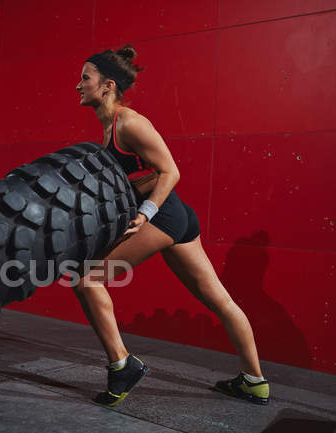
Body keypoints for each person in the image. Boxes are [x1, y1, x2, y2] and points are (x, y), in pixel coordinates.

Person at [73, 45, 270, 406]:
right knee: (219, 300)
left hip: (165, 216)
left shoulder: (129, 122)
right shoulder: (107, 129)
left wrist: (145, 213)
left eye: (85, 78)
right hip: (174, 217)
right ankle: (254, 381)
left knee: (88, 280)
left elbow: (171, 171)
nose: (78, 85)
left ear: (107, 86)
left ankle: (122, 366)